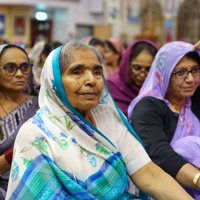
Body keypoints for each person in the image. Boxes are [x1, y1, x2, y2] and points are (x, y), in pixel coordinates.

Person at [6, 40, 193, 200]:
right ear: (54, 81)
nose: (91, 80)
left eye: (97, 72)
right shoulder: (36, 134)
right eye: (77, 72)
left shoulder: (107, 117)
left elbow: (149, 174)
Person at [128, 41, 200, 199]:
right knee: (184, 147)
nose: (190, 79)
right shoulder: (147, 107)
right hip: (165, 188)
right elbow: (161, 154)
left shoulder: (194, 100)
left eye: (195, 70)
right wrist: (198, 179)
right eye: (180, 72)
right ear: (164, 73)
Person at [0, 44, 39, 199]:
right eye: (10, 68)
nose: (19, 74)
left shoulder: (40, 105)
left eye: (24, 67)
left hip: (34, 185)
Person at [106, 40, 158, 117]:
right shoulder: (111, 87)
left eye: (148, 69)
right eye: (137, 68)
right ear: (127, 65)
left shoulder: (159, 91)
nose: (142, 75)